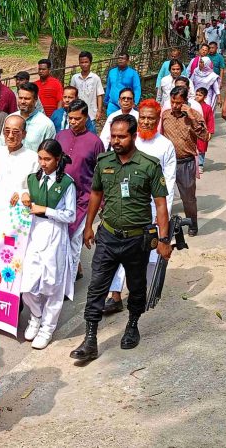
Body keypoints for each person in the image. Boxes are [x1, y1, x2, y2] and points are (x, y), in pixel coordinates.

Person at [71, 115, 171, 359]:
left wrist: (164, 240)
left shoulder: (149, 165)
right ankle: (90, 339)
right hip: (108, 236)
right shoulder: (104, 161)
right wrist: (88, 226)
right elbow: (96, 193)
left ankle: (132, 325)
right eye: (113, 136)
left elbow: (160, 204)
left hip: (137, 240)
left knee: (137, 287)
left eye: (121, 136)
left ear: (134, 136)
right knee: (96, 288)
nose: (115, 141)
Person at [103, 100, 176, 315]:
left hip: (151, 211)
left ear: (158, 119)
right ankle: (115, 295)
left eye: (150, 118)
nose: (145, 121)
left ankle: (141, 294)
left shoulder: (165, 146)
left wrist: (163, 217)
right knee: (116, 251)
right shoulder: (128, 141)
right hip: (121, 209)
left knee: (149, 255)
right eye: (142, 117)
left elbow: (168, 185)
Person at [19, 139, 76, 350]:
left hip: (55, 235)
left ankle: (47, 328)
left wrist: (46, 210)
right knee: (28, 285)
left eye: (48, 159)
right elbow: (23, 196)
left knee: (53, 285)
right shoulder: (33, 179)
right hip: (34, 233)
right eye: (40, 158)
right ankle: (36, 316)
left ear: (58, 159)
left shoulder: (67, 183)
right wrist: (23, 195)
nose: (43, 163)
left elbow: (70, 216)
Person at [55, 100, 105, 278]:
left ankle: (68, 281)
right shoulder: (60, 136)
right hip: (58, 198)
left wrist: (102, 203)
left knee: (74, 242)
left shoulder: (95, 142)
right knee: (58, 240)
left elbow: (101, 174)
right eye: (70, 118)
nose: (73, 122)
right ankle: (61, 277)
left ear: (86, 118)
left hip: (82, 199)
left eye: (77, 118)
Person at [160, 87, 208, 235]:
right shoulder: (165, 115)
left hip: (185, 163)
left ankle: (192, 225)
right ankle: (163, 228)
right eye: (172, 102)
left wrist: (191, 117)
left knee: (188, 198)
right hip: (167, 163)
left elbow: (205, 136)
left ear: (186, 102)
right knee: (163, 197)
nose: (175, 106)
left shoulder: (194, 115)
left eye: (178, 103)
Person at [0, 114, 38, 202]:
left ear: (24, 134)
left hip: (17, 207)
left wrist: (23, 193)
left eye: (15, 132)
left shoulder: (33, 158)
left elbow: (35, 189)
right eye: (7, 131)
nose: (10, 136)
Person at [0, 82, 56, 152]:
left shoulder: (46, 125)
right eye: (20, 98)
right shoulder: (10, 119)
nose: (22, 101)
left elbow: (49, 153)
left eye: (27, 98)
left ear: (35, 99)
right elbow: (1, 145)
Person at [71, 51, 104, 117]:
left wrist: (99, 111)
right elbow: (72, 94)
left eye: (86, 62)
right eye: (82, 62)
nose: (84, 64)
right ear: (79, 63)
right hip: (77, 112)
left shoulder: (95, 78)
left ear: (90, 63)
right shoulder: (75, 78)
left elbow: (99, 95)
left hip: (92, 113)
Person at [194, 88, 215, 170]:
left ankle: (200, 165)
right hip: (192, 130)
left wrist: (210, 132)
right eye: (197, 94)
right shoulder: (191, 106)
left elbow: (210, 120)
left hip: (203, 131)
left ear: (205, 97)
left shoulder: (207, 108)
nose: (197, 97)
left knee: (201, 148)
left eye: (200, 95)